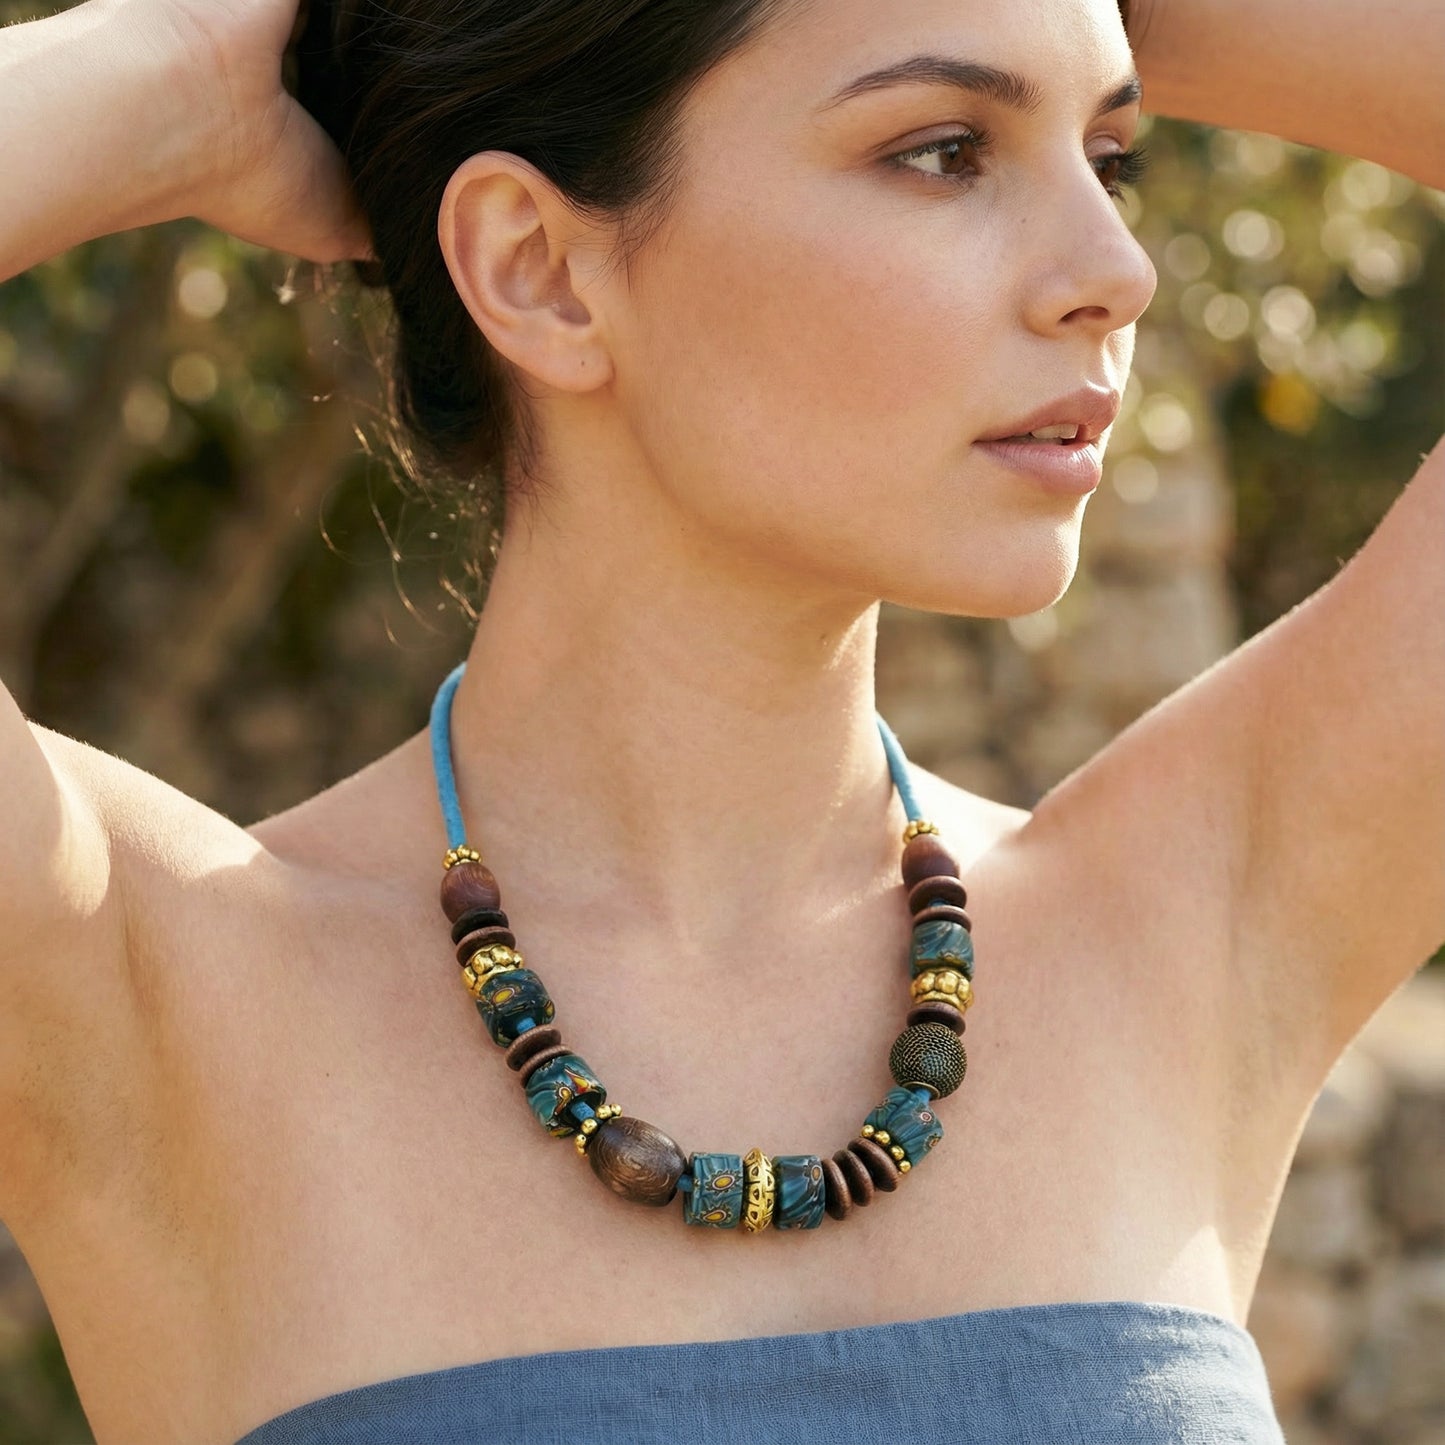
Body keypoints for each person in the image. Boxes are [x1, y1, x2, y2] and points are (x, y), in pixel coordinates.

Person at [1, 0, 1440, 1440]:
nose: (1114, 272)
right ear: (540, 270)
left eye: (1109, 154)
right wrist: (183, 73)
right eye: (943, 150)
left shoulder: (1190, 917)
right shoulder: (136, 978)